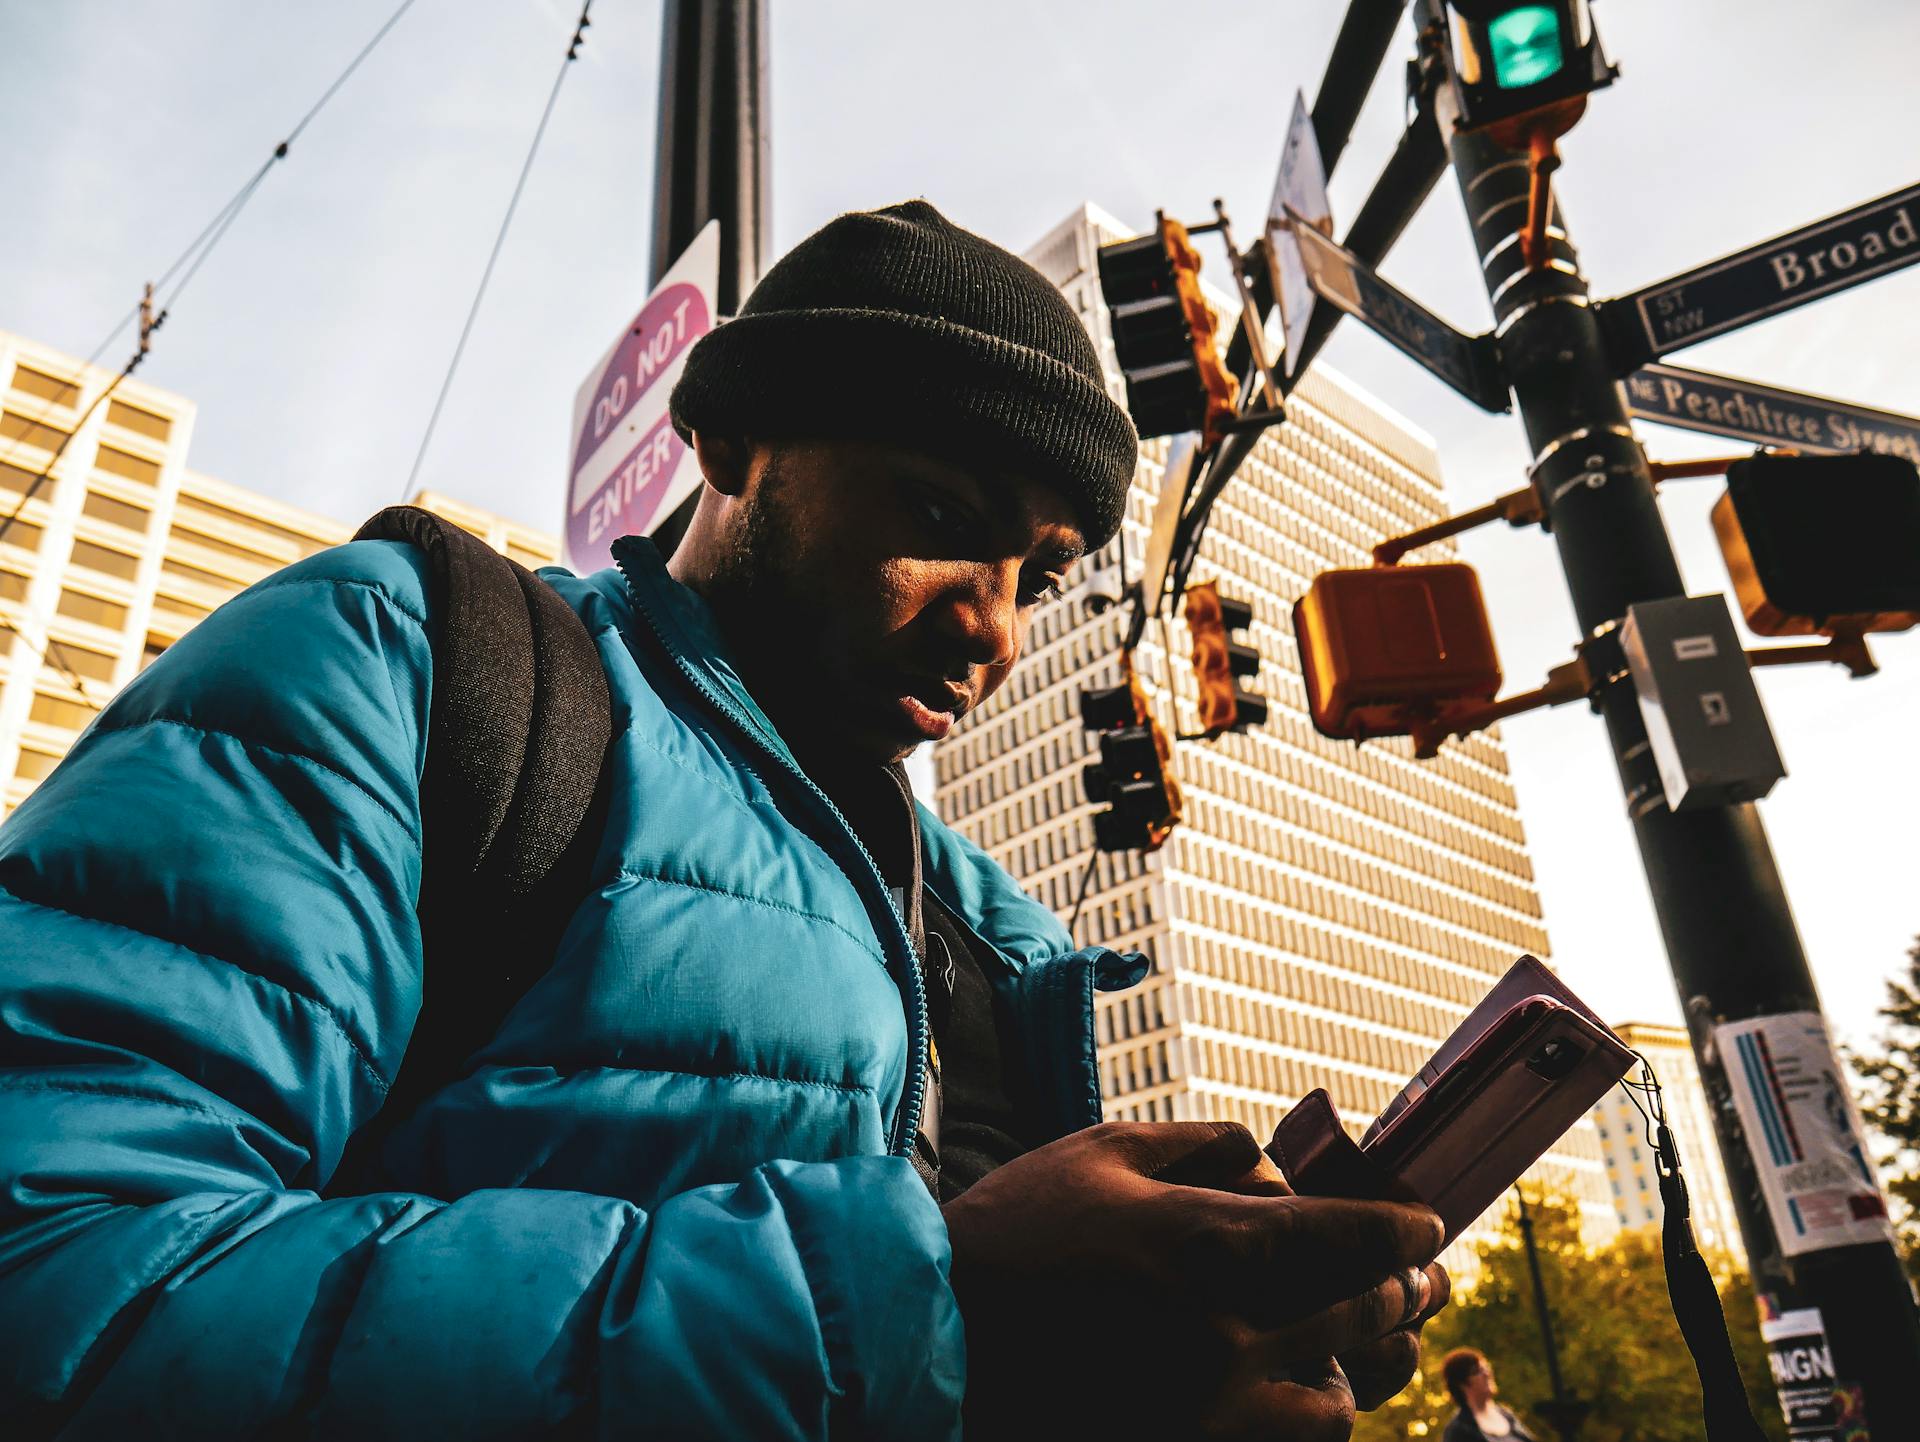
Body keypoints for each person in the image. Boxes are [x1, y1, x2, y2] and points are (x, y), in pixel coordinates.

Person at [0, 200, 1449, 1440]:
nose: (994, 627)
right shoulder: (413, 662)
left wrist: (1185, 1357)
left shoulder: (996, 943)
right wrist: (923, 1311)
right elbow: (61, 1272)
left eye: (1044, 571)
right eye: (941, 512)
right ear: (731, 437)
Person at [1442, 1348, 1539, 1441]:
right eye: (1477, 1371)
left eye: (1486, 1367)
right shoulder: (1458, 1431)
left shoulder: (1508, 1416)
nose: (1487, 1373)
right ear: (1461, 1384)